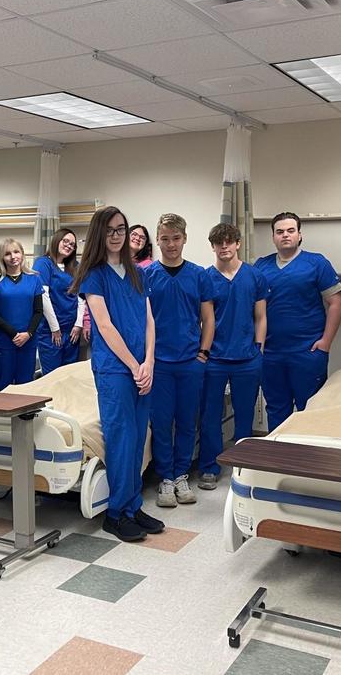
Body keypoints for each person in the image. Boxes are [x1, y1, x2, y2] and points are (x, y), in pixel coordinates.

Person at [71, 206, 163, 543]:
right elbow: (105, 326)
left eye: (121, 228)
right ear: (99, 233)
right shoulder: (94, 275)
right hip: (114, 369)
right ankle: (115, 513)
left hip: (141, 367)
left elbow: (149, 320)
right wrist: (134, 366)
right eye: (110, 230)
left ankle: (133, 506)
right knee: (121, 438)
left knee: (138, 437)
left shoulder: (138, 273)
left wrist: (149, 361)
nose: (116, 235)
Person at [145, 214, 214, 507]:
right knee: (161, 422)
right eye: (165, 239)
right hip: (159, 362)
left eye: (176, 238)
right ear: (157, 240)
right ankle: (166, 478)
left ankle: (182, 475)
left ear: (184, 238)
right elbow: (141, 319)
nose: (171, 244)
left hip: (190, 361)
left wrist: (202, 354)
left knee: (187, 422)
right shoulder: (147, 275)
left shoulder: (198, 275)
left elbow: (208, 318)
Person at [254, 212, 341, 430]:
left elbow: (337, 302)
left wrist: (326, 342)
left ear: (299, 235)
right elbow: (252, 308)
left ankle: (308, 452)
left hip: (307, 351)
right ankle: (278, 451)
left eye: (290, 230)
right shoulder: (261, 266)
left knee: (310, 410)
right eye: (280, 232)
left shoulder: (316, 263)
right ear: (273, 237)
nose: (285, 235)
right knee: (276, 409)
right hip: (271, 353)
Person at [198, 223, 267, 490]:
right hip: (214, 359)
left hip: (247, 358)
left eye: (229, 241)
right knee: (210, 415)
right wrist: (203, 353)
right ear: (212, 246)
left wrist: (258, 349)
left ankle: (243, 467)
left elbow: (260, 317)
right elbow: (205, 319)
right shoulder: (206, 277)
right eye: (219, 242)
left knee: (244, 415)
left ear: (238, 243)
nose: (224, 246)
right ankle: (209, 466)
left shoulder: (254, 276)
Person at [0, 238, 44, 389]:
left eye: (16, 252)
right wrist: (14, 334)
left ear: (22, 254)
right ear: (2, 257)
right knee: (4, 386)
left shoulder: (34, 279)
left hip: (28, 342)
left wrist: (28, 334)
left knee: (26, 386)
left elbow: (38, 311)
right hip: (4, 342)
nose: (13, 256)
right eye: (7, 253)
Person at [34, 229, 86, 376]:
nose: (69, 246)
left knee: (69, 376)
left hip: (72, 332)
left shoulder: (75, 267)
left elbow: (81, 297)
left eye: (72, 244)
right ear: (56, 240)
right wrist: (55, 328)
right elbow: (43, 296)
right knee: (52, 377)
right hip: (50, 333)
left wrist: (78, 324)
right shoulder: (43, 263)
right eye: (65, 241)